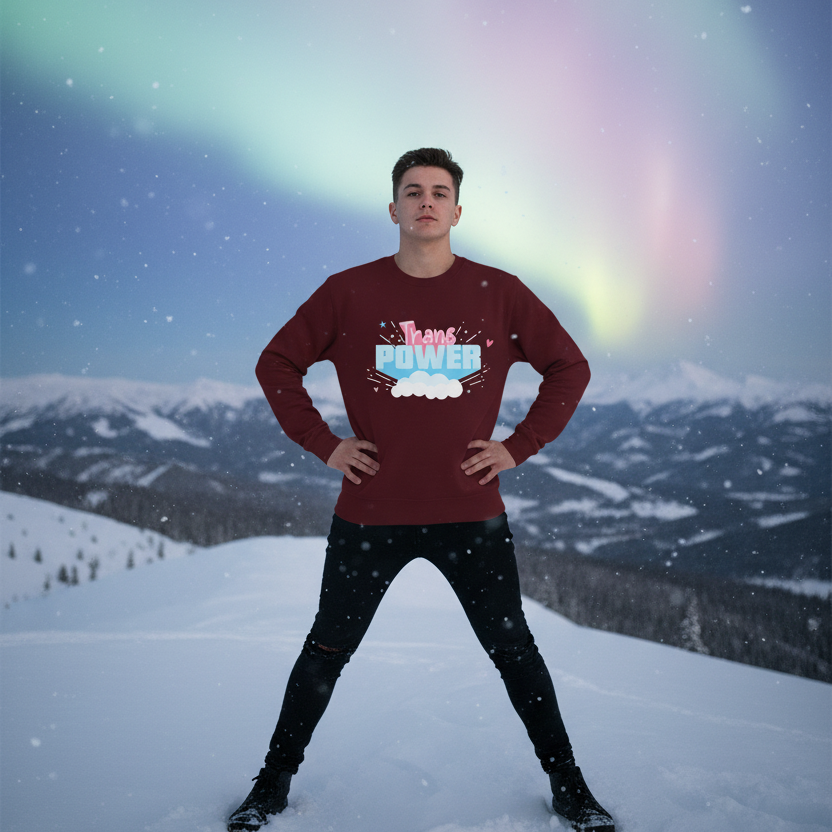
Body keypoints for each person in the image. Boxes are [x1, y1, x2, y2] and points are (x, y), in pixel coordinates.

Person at [228, 148, 615, 832]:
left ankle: (571, 789)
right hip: (370, 515)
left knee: (514, 651)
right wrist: (326, 444)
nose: (427, 201)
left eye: (440, 192)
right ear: (394, 209)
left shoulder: (500, 292)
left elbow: (569, 367)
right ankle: (270, 788)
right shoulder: (349, 292)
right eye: (413, 191)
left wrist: (519, 446)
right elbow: (276, 362)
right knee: (325, 650)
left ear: (457, 210)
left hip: (471, 515)